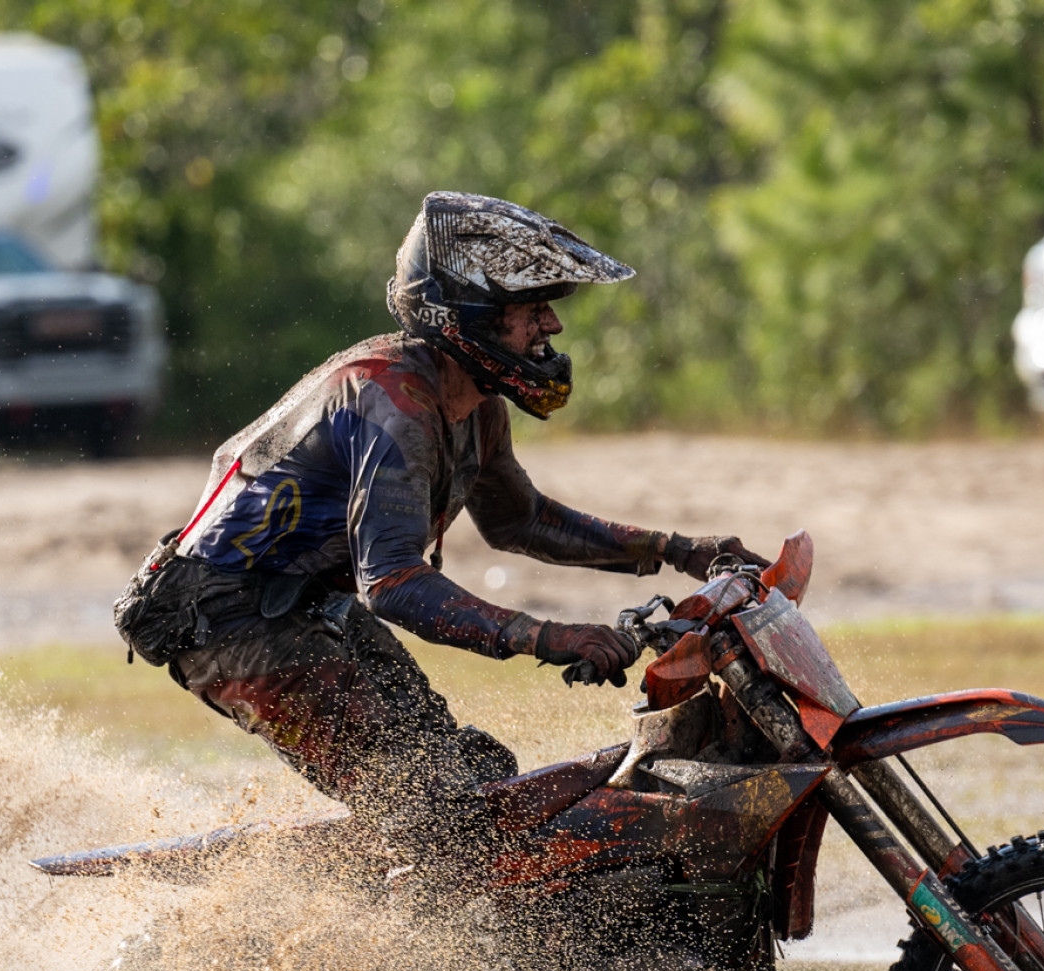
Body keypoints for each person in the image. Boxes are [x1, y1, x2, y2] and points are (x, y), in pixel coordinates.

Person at [114, 191, 762, 844]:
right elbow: (392, 582)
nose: (552, 326)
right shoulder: (394, 402)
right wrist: (548, 636)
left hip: (303, 606)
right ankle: (366, 936)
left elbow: (520, 519)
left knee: (475, 777)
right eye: (531, 309)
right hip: (222, 617)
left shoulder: (473, 397)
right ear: (472, 318)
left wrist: (680, 549)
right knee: (434, 815)